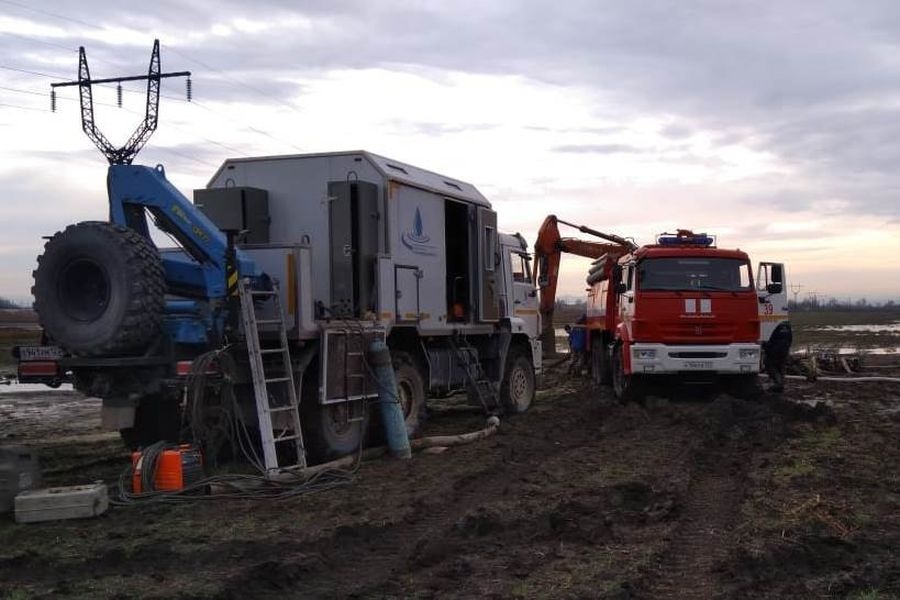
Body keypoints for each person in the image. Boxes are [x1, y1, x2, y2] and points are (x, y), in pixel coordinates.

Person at [762, 322, 793, 393]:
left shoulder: (771, 325)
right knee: (781, 367)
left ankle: (778, 384)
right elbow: (790, 339)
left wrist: (765, 347)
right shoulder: (787, 326)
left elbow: (768, 339)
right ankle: (780, 384)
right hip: (784, 351)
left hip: (774, 351)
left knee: (770, 365)